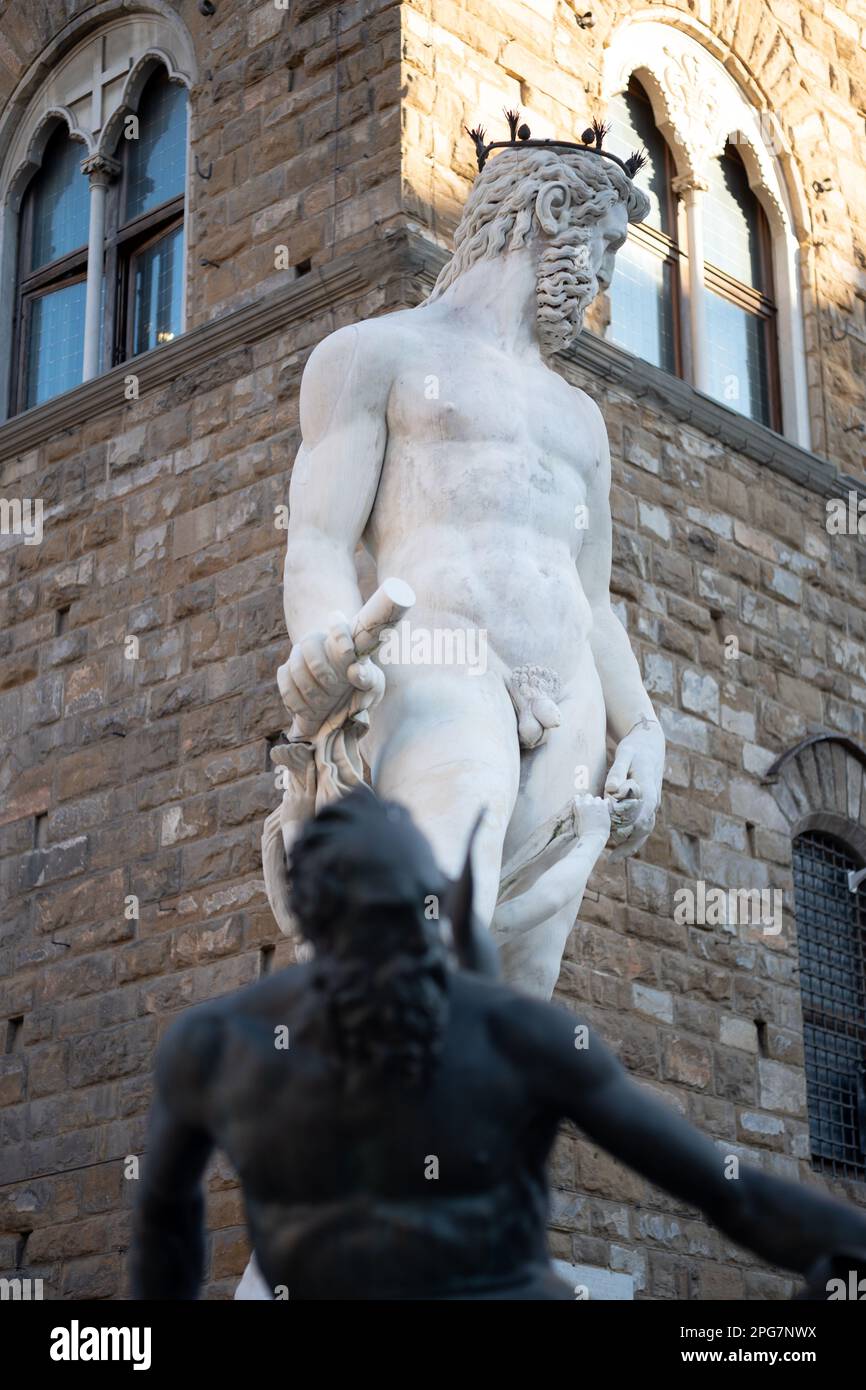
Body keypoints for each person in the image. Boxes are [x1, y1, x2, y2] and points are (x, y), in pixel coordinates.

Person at [132, 791, 866, 1301]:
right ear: (315, 929)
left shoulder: (520, 1037)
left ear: (435, 914)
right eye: (369, 931)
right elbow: (165, 1222)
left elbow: (728, 1192)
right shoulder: (218, 1048)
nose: (394, 959)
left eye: (410, 929)